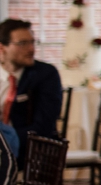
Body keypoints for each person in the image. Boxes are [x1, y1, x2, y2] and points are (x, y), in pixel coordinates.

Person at [0, 19, 63, 151]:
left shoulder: (45, 74)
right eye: (22, 43)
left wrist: (6, 142)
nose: (31, 49)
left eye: (32, 42)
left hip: (31, 151)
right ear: (2, 48)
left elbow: (44, 126)